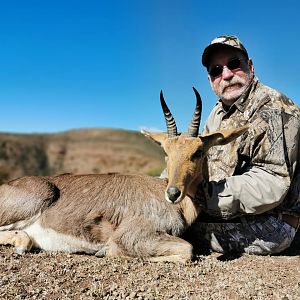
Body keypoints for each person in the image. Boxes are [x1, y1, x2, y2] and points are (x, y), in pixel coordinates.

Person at [192, 35, 300, 255]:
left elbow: (273, 181)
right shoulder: (218, 113)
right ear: (211, 80)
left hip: (272, 224)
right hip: (224, 210)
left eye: (234, 64)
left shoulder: (273, 108)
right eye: (216, 70)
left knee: (177, 231)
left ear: (250, 65)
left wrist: (205, 196)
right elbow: (196, 157)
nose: (227, 75)